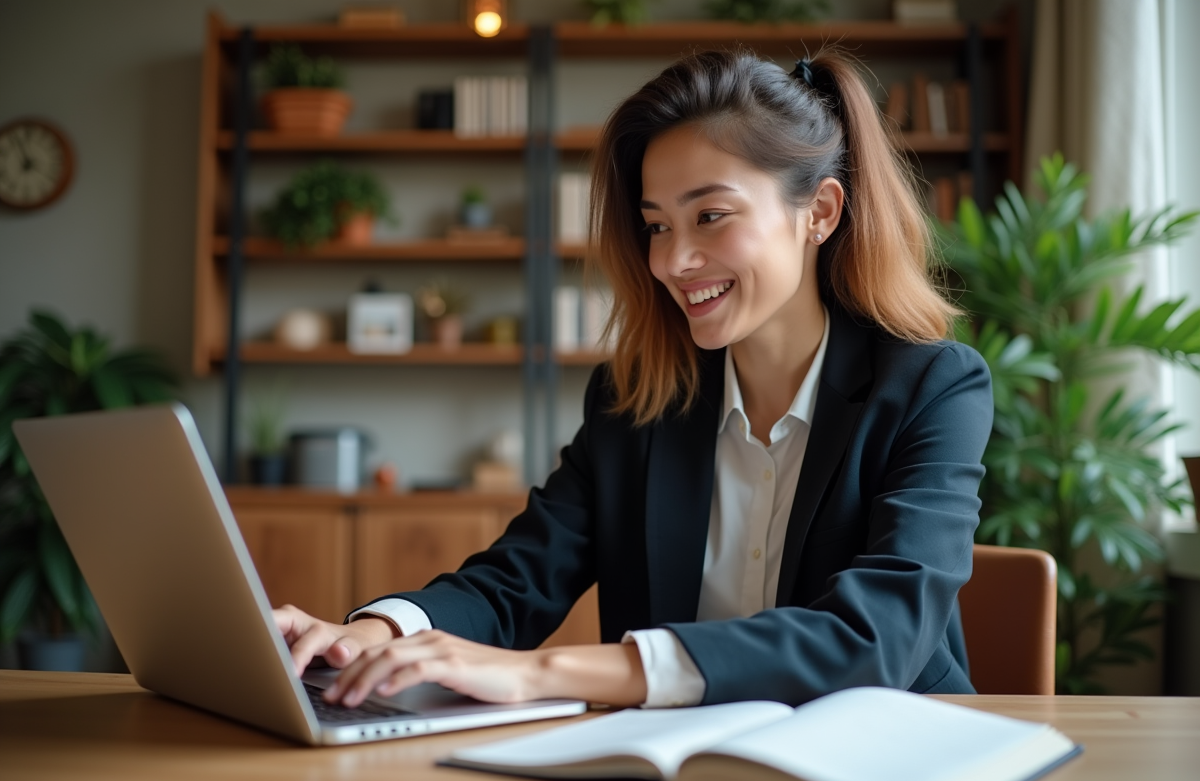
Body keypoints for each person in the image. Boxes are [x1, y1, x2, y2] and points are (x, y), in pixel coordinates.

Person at [273, 49, 993, 710]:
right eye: (656, 225)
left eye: (710, 216)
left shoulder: (932, 387)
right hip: (672, 765)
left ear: (821, 213)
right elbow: (517, 579)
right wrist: (376, 632)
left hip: (886, 759)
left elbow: (877, 635)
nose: (674, 261)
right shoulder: (638, 401)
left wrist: (544, 673)